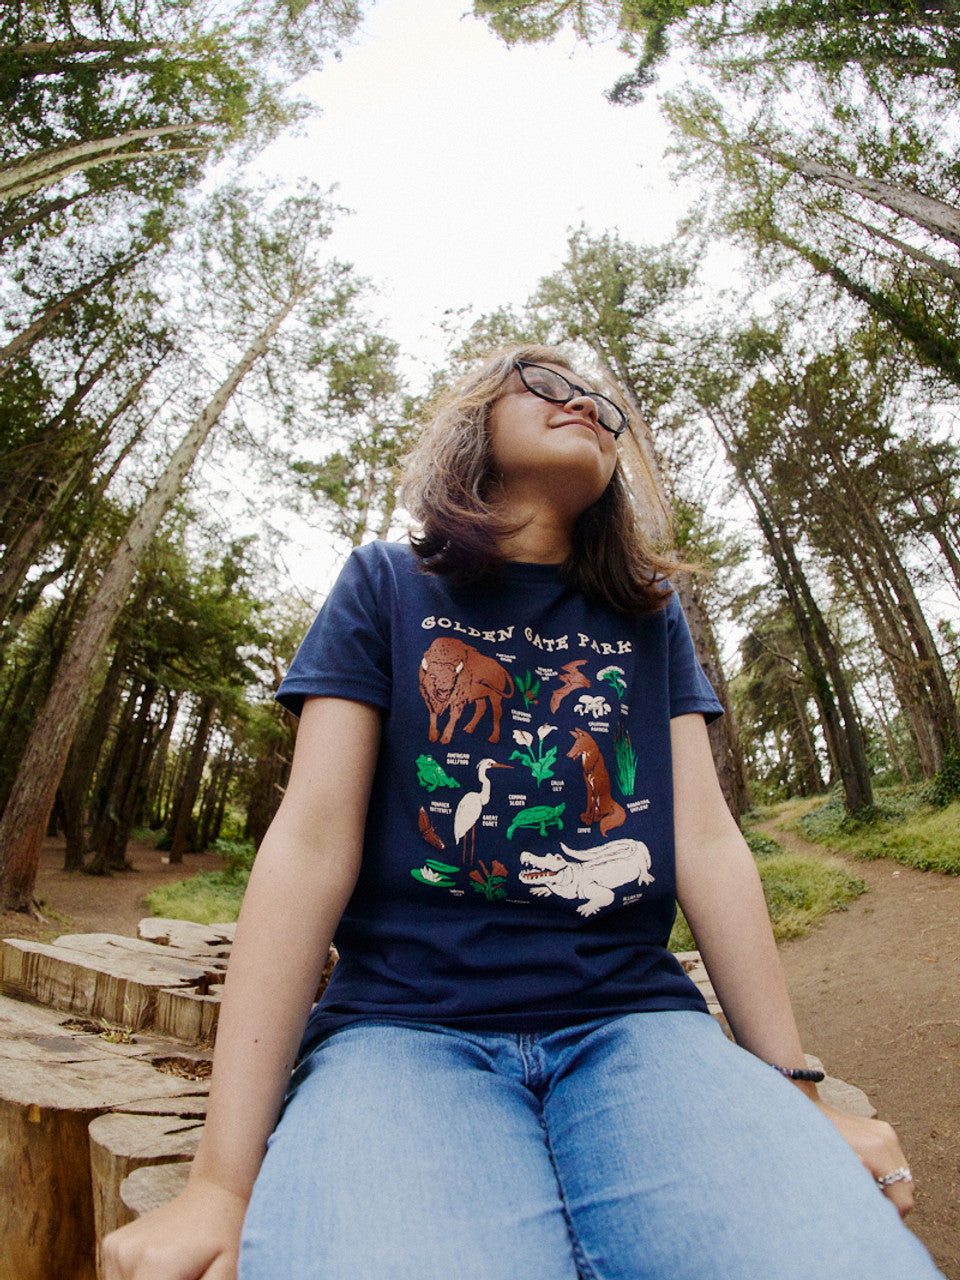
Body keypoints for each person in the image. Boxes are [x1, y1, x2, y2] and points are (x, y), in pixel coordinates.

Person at [103, 345, 943, 1280]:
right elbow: (306, 844)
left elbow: (706, 844)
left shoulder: (647, 616)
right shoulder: (385, 585)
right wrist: (223, 1182)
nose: (586, 401)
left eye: (605, 404)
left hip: (638, 1025)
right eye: (547, 381)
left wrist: (800, 1091)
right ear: (473, 422)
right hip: (400, 1033)